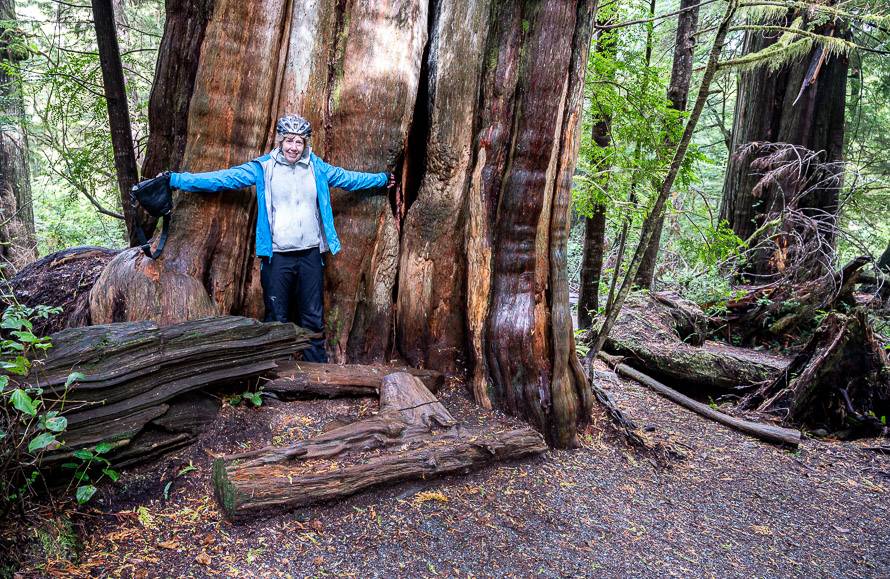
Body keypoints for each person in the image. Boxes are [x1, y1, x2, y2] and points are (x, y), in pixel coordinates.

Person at [168, 114, 395, 362]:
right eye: (289, 140)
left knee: (312, 316)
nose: (293, 147)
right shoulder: (263, 168)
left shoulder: (316, 168)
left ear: (306, 143)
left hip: (310, 254)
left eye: (299, 142)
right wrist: (177, 180)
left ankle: (317, 373)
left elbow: (349, 179)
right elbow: (222, 179)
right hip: (277, 257)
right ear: (280, 141)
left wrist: (381, 179)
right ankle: (275, 373)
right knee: (277, 315)